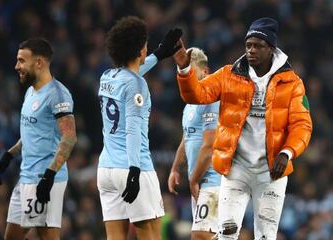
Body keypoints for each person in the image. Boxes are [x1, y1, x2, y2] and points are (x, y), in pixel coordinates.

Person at [173, 17, 312, 239]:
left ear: (271, 49)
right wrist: (184, 69)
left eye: (258, 45)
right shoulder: (229, 74)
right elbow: (196, 95)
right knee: (226, 234)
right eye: (248, 45)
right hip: (235, 169)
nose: (251, 50)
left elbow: (302, 125)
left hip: (271, 173)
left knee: (266, 236)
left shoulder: (292, 83)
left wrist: (287, 153)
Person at [97, 16, 182, 240]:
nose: (147, 48)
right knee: (151, 236)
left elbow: (131, 75)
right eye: (145, 45)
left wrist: (159, 54)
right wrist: (134, 172)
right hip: (134, 167)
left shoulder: (107, 77)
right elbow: (133, 130)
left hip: (106, 169)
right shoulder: (137, 85)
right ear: (139, 51)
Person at [0, 38, 77, 240]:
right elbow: (33, 133)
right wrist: (9, 155)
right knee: (11, 236)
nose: (17, 66)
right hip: (26, 176)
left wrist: (49, 176)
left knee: (47, 236)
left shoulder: (58, 95)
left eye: (22, 60)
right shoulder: (31, 91)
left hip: (44, 178)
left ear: (38, 62)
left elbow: (69, 137)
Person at [168, 47, 220, 240]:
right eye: (183, 72)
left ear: (205, 71)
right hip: (197, 181)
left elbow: (209, 145)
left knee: (200, 235)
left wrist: (194, 179)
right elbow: (186, 139)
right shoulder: (189, 104)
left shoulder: (212, 98)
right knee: (213, 235)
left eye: (192, 72)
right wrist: (175, 168)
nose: (186, 77)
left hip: (212, 179)